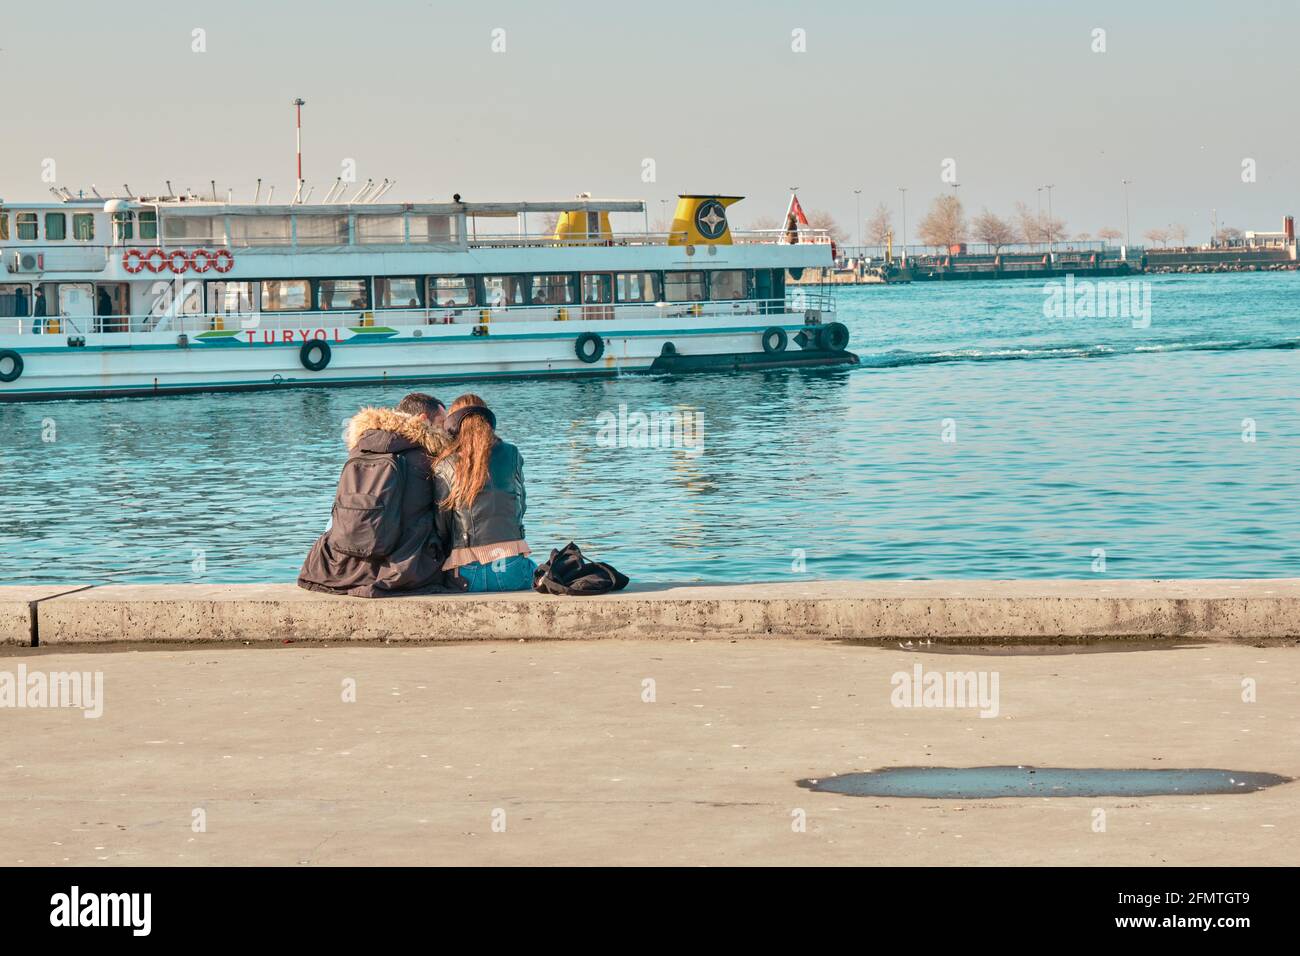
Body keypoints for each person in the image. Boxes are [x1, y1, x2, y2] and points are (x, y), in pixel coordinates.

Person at [298, 393, 452, 597]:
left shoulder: (361, 447)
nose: (446, 430)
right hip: (401, 568)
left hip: (337, 567)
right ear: (423, 420)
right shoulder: (425, 458)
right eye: (441, 423)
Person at [433, 394, 535, 592]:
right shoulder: (512, 453)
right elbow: (521, 505)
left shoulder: (445, 463)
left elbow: (441, 525)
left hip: (467, 572)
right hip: (512, 567)